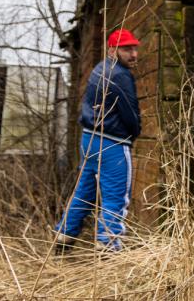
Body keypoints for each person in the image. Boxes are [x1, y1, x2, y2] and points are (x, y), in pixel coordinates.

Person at [55, 28, 141, 252]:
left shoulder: (99, 69)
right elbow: (130, 114)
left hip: (89, 140)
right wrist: (134, 132)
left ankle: (64, 237)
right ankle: (108, 248)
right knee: (116, 196)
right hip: (112, 142)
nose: (133, 54)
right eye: (127, 49)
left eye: (134, 48)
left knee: (84, 192)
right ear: (113, 50)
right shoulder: (120, 75)